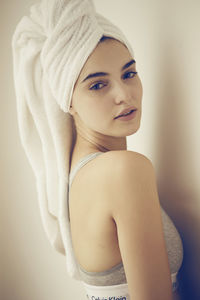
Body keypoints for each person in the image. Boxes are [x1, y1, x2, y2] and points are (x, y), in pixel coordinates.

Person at [11, 1, 183, 299]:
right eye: (98, 85)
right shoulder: (123, 170)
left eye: (129, 74)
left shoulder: (79, 173)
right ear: (68, 102)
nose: (124, 95)